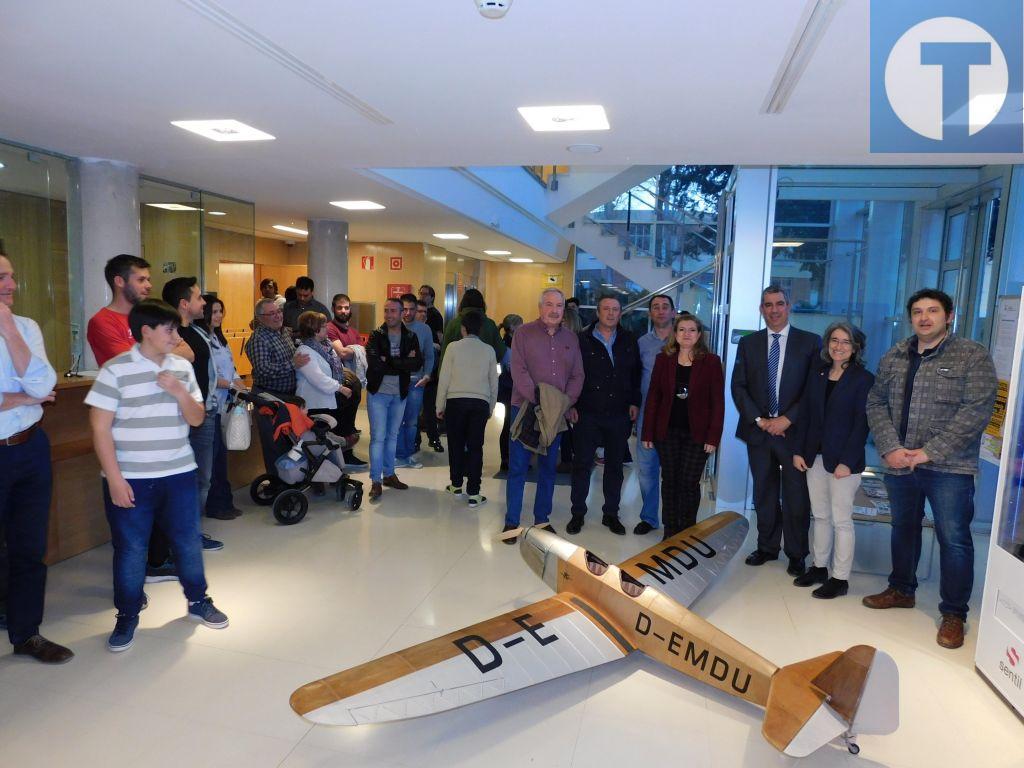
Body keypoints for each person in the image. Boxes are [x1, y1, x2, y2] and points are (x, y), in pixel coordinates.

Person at [85, 299, 229, 653]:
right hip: (130, 478)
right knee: (131, 550)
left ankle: (198, 601)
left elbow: (196, 419)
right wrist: (115, 480)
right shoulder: (115, 371)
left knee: (187, 542)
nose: (176, 336)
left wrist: (179, 392)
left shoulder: (181, 367)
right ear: (146, 331)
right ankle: (128, 614)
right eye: (169, 329)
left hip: (178, 473)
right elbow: (99, 429)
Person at [863, 289, 997, 649]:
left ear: (949, 316)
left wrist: (927, 452)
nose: (924, 317)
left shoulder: (972, 356)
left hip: (949, 467)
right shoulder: (895, 355)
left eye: (933, 311)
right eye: (918, 312)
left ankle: (954, 614)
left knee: (953, 539)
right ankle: (901, 589)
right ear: (911, 318)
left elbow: (976, 412)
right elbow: (876, 402)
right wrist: (891, 447)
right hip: (900, 463)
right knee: (903, 528)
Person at [0, 246, 72, 664]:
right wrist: (24, 396)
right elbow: (36, 391)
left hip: (29, 447)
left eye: (10, 276)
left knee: (29, 547)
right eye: (1, 279)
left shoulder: (25, 326)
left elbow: (46, 383)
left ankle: (27, 634)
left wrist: (9, 331)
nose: (11, 285)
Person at [731, 285, 820, 576]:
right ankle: (767, 547)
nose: (774, 310)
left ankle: (796, 553)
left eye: (779, 303)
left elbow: (812, 391)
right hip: (759, 433)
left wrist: (787, 419)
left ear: (789, 305)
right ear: (761, 309)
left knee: (796, 497)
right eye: (768, 305)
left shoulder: (810, 343)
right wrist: (760, 419)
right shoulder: (749, 343)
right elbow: (739, 386)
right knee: (764, 494)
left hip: (793, 435)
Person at [792, 322, 874, 599]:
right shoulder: (818, 373)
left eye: (846, 342)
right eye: (834, 340)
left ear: (856, 348)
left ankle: (840, 578)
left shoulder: (864, 379)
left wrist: (847, 462)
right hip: (813, 456)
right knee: (821, 516)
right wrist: (799, 451)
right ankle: (818, 567)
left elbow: (862, 424)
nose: (839, 346)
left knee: (841, 520)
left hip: (843, 462)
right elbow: (805, 416)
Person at [504, 288, 584, 538]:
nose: (553, 310)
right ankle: (512, 521)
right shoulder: (523, 334)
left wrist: (563, 403)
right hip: (525, 409)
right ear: (540, 307)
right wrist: (540, 400)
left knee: (548, 468)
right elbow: (518, 370)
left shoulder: (571, 339)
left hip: (555, 415)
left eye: (558, 306)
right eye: (548, 304)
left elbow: (577, 375)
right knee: (518, 467)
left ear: (563, 310)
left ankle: (541, 519)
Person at [641, 313, 724, 540]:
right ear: (674, 334)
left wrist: (713, 438)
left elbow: (718, 403)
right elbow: (654, 397)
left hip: (697, 435)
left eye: (692, 330)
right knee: (670, 481)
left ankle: (687, 531)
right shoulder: (663, 359)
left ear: (699, 335)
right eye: (682, 330)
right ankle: (670, 530)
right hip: (666, 432)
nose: (686, 334)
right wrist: (647, 432)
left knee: (688, 482)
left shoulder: (711, 362)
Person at [566, 295, 641, 536]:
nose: (611, 313)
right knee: (582, 465)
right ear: (598, 312)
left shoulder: (629, 339)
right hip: (587, 412)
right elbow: (572, 373)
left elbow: (635, 374)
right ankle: (577, 513)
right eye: (606, 309)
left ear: (621, 314)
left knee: (615, 468)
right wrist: (571, 403)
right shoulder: (582, 340)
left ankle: (611, 514)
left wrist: (634, 402)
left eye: (615, 309)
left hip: (619, 413)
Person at [162, 278, 224, 551]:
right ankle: (182, 538)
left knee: (203, 478)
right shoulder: (171, 332)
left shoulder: (197, 331)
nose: (204, 303)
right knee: (187, 480)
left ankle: (191, 532)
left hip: (204, 411)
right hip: (183, 416)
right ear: (184, 304)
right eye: (199, 298)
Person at [435, 311, 498, 506]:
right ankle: (474, 492)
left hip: (455, 402)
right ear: (480, 329)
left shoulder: (453, 348)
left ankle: (456, 484)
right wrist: (491, 406)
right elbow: (493, 382)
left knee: (455, 444)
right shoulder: (489, 350)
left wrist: (440, 405)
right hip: (479, 403)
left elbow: (444, 378)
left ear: (463, 328)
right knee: (475, 447)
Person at [365, 298, 423, 501]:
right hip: (378, 394)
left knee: (392, 436)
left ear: (402, 314)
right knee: (378, 437)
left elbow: (416, 363)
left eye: (393, 311)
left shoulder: (410, 336)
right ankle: (376, 481)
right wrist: (402, 362)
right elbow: (374, 364)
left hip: (399, 394)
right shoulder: (376, 335)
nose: (389, 315)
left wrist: (388, 359)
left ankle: (389, 475)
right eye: (386, 310)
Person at [245, 298, 309, 473]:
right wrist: (292, 364)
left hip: (288, 396)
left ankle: (290, 478)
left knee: (290, 441)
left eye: (278, 311)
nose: (277, 316)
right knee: (274, 443)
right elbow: (263, 369)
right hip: (268, 397)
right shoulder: (259, 339)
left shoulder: (284, 333)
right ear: (260, 318)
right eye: (271, 313)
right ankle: (277, 483)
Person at [197, 295, 245, 520]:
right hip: (212, 405)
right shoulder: (202, 340)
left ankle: (223, 502)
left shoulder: (219, 339)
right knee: (213, 460)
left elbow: (230, 366)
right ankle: (217, 505)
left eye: (220, 312)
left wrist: (238, 382)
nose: (218, 316)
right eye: (214, 312)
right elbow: (211, 376)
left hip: (225, 403)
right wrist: (231, 383)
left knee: (221, 457)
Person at [634, 294, 676, 535]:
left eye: (665, 307)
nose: (660, 311)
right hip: (647, 417)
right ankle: (649, 518)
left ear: (673, 311)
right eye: (655, 308)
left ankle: (673, 520)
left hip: (676, 418)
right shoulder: (642, 343)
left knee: (672, 472)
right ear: (650, 313)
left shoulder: (684, 339)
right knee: (647, 470)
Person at [294, 310, 354, 443]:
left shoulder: (326, 347)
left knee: (328, 442)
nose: (327, 328)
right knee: (318, 443)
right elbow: (318, 378)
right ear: (315, 330)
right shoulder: (304, 351)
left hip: (325, 401)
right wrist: (340, 388)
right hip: (314, 404)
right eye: (324, 326)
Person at [86, 254, 152, 366]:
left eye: (148, 280)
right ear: (119, 281)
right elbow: (132, 364)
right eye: (141, 280)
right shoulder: (102, 321)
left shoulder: (151, 314)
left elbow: (188, 353)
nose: (149, 285)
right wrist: (166, 356)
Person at [325, 293, 366, 466]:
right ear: (333, 308)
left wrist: (353, 349)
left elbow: (361, 350)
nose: (343, 310)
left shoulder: (353, 332)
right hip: (338, 385)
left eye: (346, 307)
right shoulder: (329, 328)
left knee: (350, 421)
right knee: (339, 421)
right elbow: (341, 353)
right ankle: (339, 458)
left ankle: (347, 455)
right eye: (340, 307)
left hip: (353, 385)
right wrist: (355, 349)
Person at [395, 293, 435, 469]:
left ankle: (408, 455)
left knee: (411, 421)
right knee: (397, 420)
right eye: (404, 309)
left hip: (416, 381)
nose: (408, 313)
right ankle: (398, 455)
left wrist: (427, 375)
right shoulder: (390, 327)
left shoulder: (424, 330)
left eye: (412, 309)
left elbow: (429, 356)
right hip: (395, 381)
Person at [440, 289, 504, 365]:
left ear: (462, 303)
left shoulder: (453, 324)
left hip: (458, 373)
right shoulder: (490, 324)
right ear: (482, 304)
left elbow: (444, 355)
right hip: (483, 372)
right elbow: (500, 353)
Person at [418, 284, 445, 452]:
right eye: (420, 293)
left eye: (425, 294)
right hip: (415, 374)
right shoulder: (410, 327)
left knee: (429, 406)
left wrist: (434, 346)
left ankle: (433, 437)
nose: (422, 295)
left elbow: (441, 340)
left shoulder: (435, 316)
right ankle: (416, 439)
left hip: (431, 372)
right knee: (415, 408)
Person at [497, 313, 523, 472]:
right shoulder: (510, 346)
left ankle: (507, 458)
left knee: (509, 423)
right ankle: (508, 458)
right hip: (511, 388)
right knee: (511, 424)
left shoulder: (504, 344)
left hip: (507, 387)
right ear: (513, 327)